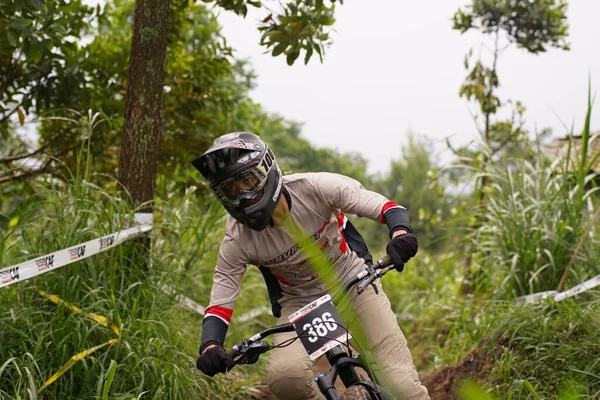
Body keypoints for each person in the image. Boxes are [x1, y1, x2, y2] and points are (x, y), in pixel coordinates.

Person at [192, 132, 430, 400]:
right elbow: (221, 298)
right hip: (299, 304)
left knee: (402, 386)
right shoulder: (237, 237)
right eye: (231, 190)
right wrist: (210, 345)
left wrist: (400, 234)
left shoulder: (315, 187)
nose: (243, 196)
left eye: (248, 181)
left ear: (268, 169)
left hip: (352, 282)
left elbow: (384, 206)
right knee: (286, 380)